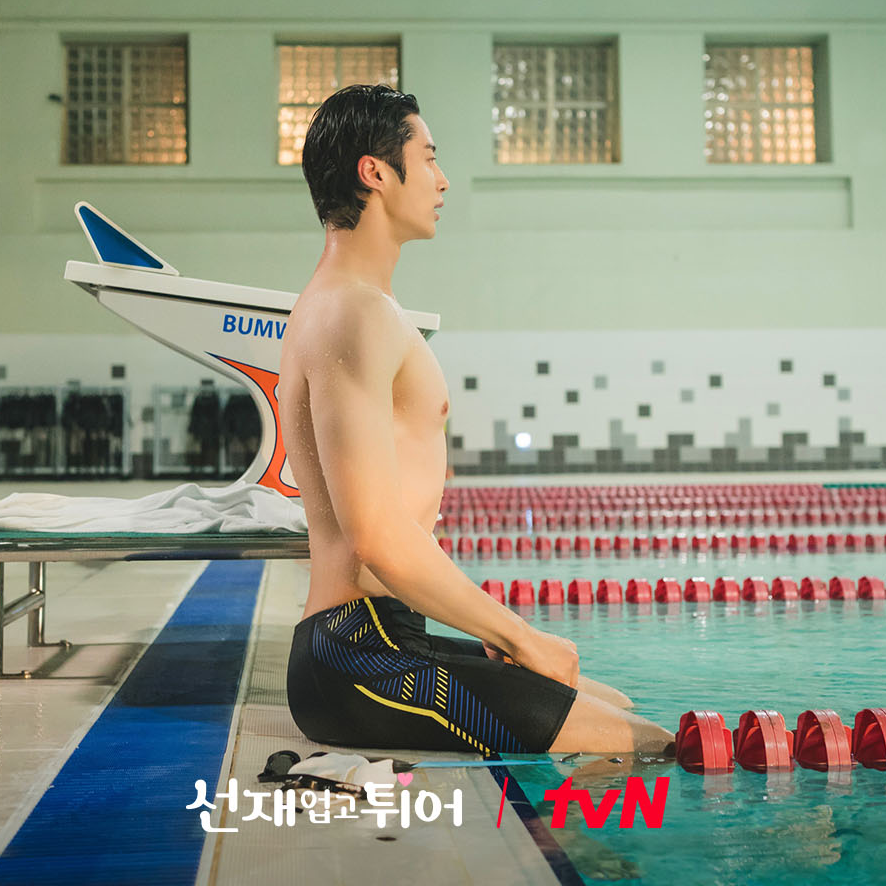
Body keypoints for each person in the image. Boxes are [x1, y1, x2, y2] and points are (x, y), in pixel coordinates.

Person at [279, 84, 674, 756]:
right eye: (428, 158)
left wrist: (502, 632)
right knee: (649, 746)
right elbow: (375, 535)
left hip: (375, 640)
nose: (442, 180)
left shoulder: (344, 304)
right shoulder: (353, 312)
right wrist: (521, 635)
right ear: (375, 173)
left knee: (617, 706)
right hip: (358, 657)